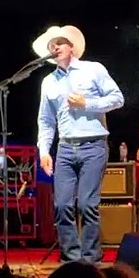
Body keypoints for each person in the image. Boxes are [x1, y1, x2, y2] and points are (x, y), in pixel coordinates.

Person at [34, 24, 124, 263]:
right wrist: (44, 150)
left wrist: (87, 103)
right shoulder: (48, 82)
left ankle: (90, 259)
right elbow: (45, 120)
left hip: (93, 145)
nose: (55, 47)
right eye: (51, 45)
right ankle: (71, 260)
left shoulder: (93, 70)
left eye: (60, 42)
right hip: (64, 147)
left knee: (86, 204)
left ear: (71, 47)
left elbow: (118, 99)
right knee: (62, 205)